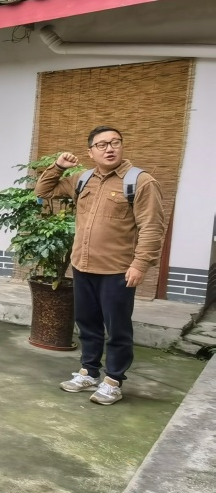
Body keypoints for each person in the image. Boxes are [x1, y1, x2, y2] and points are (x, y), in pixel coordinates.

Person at [35, 127, 165, 405]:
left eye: (115, 142)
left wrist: (140, 264)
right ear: (91, 152)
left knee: (117, 328)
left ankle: (113, 380)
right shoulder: (82, 179)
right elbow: (43, 191)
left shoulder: (140, 181)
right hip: (82, 265)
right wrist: (58, 166)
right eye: (102, 144)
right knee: (87, 323)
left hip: (117, 269)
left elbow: (152, 227)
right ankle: (89, 372)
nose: (110, 148)